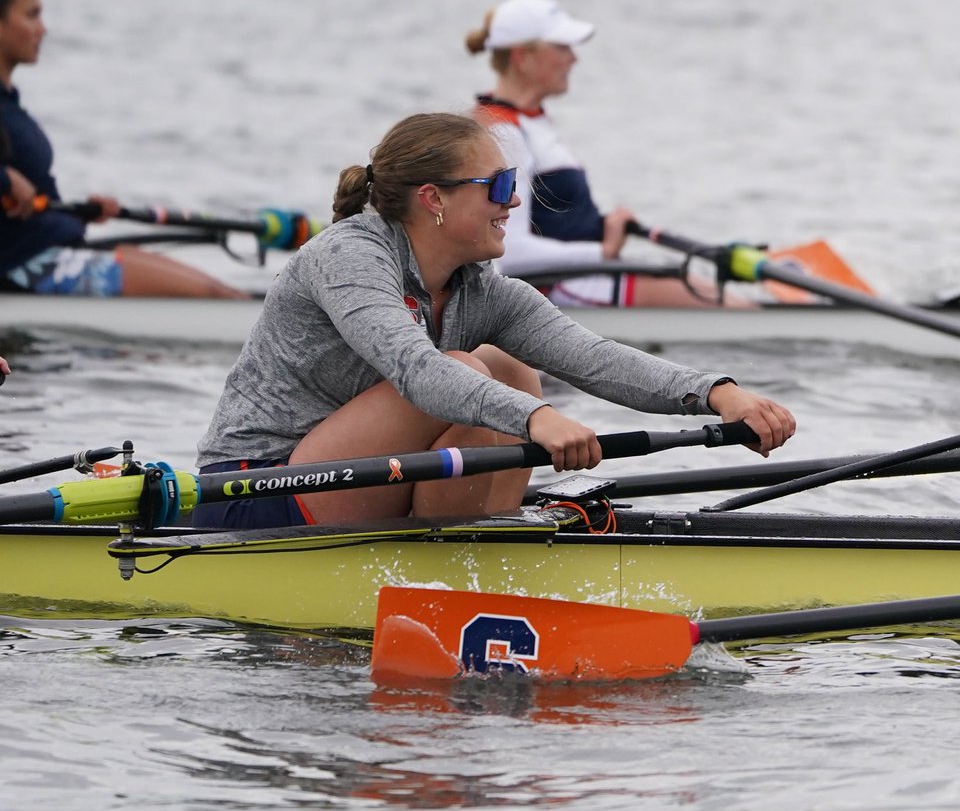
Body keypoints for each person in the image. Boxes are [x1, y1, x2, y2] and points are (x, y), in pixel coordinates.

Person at [193, 112, 795, 530]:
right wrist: (538, 419)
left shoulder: (481, 290)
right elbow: (417, 372)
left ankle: (479, 544)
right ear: (433, 198)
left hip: (353, 485)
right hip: (253, 493)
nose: (513, 201)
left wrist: (718, 393)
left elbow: (593, 359)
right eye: (499, 185)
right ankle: (452, 563)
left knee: (508, 370)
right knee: (466, 370)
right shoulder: (349, 256)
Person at [465, 0, 736, 310]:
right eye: (562, 47)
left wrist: (606, 226)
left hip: (582, 275)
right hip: (554, 290)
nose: (574, 59)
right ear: (522, 58)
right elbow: (509, 253)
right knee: (723, 303)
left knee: (718, 295)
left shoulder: (529, 121)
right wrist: (603, 251)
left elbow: (558, 218)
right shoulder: (502, 133)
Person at [0, 0, 246, 297]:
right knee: (213, 296)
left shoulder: (10, 105)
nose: (42, 29)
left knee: (225, 292)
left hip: (50, 251)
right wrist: (6, 179)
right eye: (32, 15)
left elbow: (35, 204)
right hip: (24, 266)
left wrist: (82, 214)